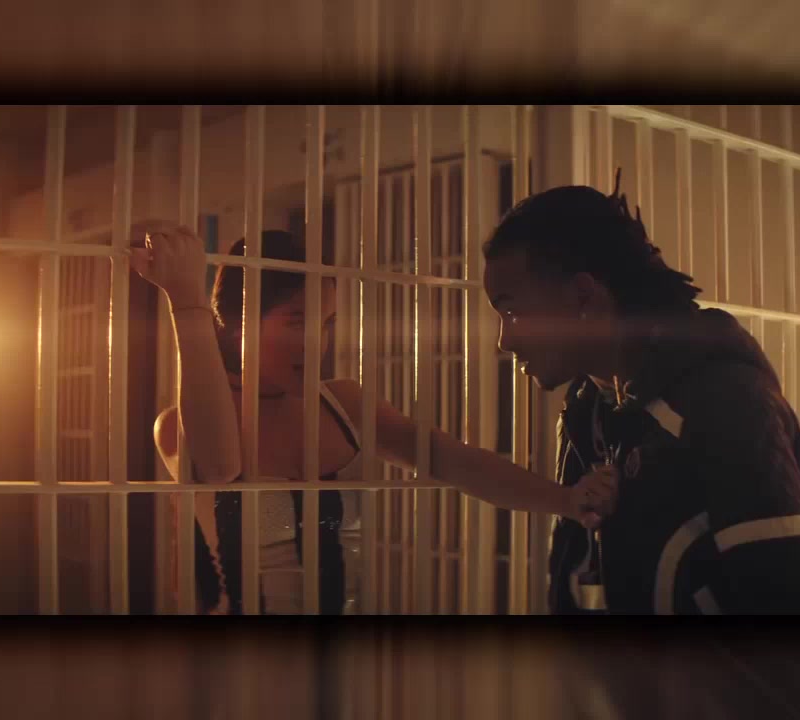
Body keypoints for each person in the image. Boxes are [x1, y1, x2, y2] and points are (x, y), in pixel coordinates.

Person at [131, 225, 612, 615]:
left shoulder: (343, 404)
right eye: (296, 321)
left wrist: (567, 500)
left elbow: (455, 461)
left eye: (326, 323)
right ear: (238, 324)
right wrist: (186, 302)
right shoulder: (176, 425)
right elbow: (218, 467)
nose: (316, 343)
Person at [480, 176, 800, 615]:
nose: (505, 341)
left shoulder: (728, 401)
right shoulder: (588, 406)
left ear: (584, 295)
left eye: (512, 312)